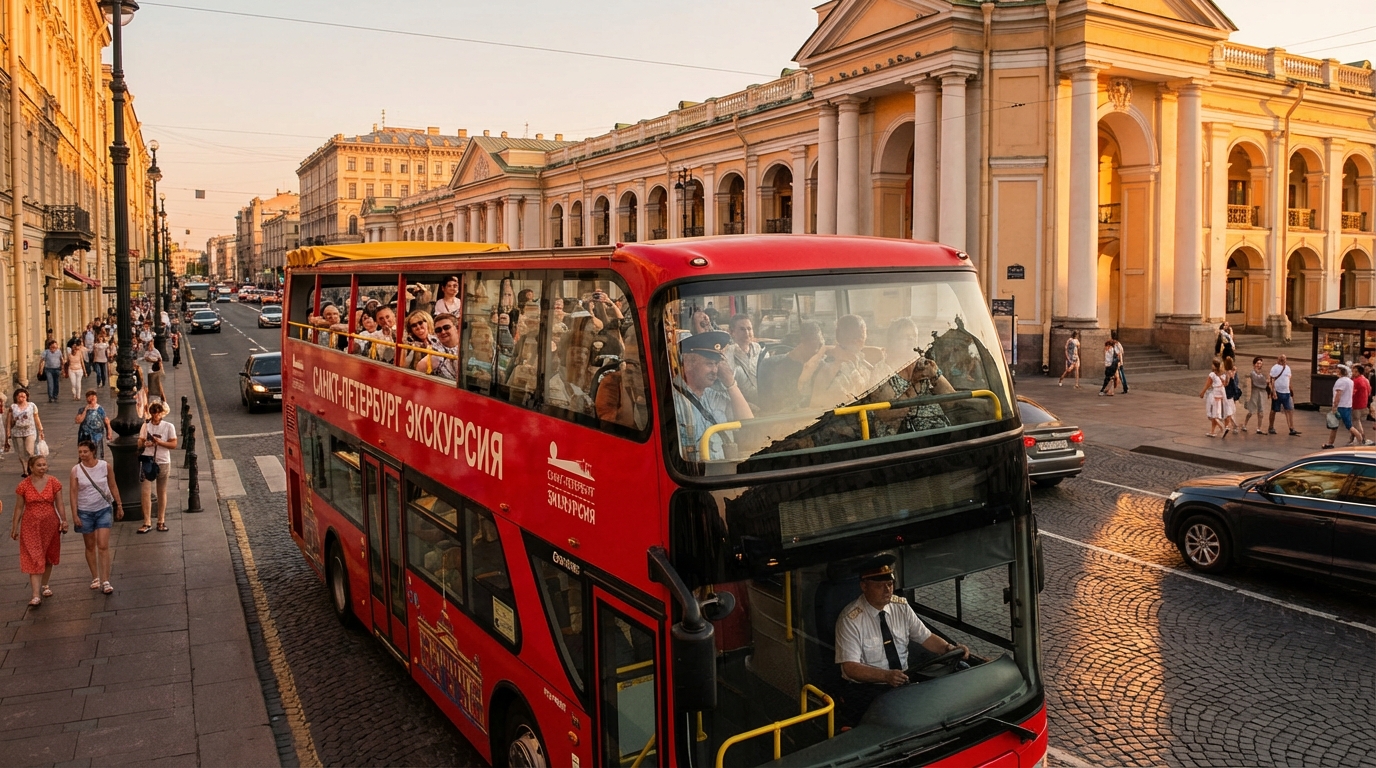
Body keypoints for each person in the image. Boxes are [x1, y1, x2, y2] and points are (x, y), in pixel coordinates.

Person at [833, 555, 968, 724]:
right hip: (867, 689)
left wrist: (949, 648)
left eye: (890, 584)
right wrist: (885, 676)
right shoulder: (850, 619)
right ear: (864, 586)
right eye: (880, 585)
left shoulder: (901, 607)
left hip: (902, 681)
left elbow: (926, 637)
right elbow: (850, 668)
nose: (887, 590)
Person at [671, 331, 753, 460]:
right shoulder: (672, 400)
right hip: (694, 477)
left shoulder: (714, 396)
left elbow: (749, 424)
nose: (715, 371)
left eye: (716, 364)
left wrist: (731, 384)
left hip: (721, 475)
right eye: (709, 364)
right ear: (688, 363)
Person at [10, 455, 67, 607]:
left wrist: (64, 520)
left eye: (44, 465)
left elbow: (60, 504)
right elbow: (19, 507)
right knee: (34, 556)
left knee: (48, 555)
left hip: (50, 524)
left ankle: (45, 584)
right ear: (31, 467)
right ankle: (35, 595)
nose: (42, 467)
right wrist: (14, 526)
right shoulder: (24, 485)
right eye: (39, 465)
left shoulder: (54, 482)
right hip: (30, 525)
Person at [70, 439, 121, 594]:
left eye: (85, 451)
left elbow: (112, 485)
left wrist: (119, 504)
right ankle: (95, 577)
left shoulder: (105, 466)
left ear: (92, 451)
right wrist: (74, 514)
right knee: (90, 546)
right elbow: (73, 493)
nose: (82, 455)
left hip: (103, 508)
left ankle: (106, 580)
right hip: (85, 511)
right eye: (80, 452)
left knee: (103, 545)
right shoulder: (76, 470)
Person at [809, 314, 877, 408]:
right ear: (859, 339)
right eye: (864, 334)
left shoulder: (860, 362)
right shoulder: (831, 368)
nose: (865, 339)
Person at [758, 322, 826, 414]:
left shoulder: (821, 365)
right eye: (816, 348)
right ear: (803, 343)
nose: (820, 352)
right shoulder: (780, 369)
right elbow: (781, 406)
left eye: (821, 345)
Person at [137, 401, 177, 534]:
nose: (156, 416)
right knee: (145, 492)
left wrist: (160, 442)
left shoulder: (168, 426)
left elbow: (174, 444)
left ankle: (161, 520)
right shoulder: (145, 426)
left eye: (158, 413)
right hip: (148, 460)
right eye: (154, 413)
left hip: (163, 460)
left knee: (162, 491)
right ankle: (147, 521)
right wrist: (143, 443)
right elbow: (139, 443)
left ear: (162, 414)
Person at [726, 314, 765, 406]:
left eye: (749, 329)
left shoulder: (760, 351)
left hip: (766, 400)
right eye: (742, 329)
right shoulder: (728, 353)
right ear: (732, 332)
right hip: (742, 404)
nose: (747, 333)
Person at [5, 389, 43, 477]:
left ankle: (31, 468)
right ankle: (25, 470)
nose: (22, 398)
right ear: (16, 397)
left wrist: (41, 429)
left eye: (23, 396)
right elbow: (8, 421)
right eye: (19, 396)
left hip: (30, 431)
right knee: (21, 452)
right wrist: (8, 432)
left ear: (26, 397)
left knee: (30, 450)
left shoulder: (32, 406)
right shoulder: (13, 407)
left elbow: (36, 417)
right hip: (17, 432)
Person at [1324, 365, 1363, 450]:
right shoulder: (1350, 381)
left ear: (1341, 372)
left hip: (1341, 406)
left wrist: (1335, 406)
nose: (1336, 372)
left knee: (1347, 426)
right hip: (1348, 405)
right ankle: (1330, 443)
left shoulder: (1340, 382)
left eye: (1338, 370)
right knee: (1335, 425)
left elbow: (1338, 394)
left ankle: (1360, 439)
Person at [75, 390, 114, 460]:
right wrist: (85, 410)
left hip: (97, 435)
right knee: (85, 452)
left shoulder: (100, 409)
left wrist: (109, 432)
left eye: (94, 398)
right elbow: (78, 420)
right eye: (90, 399)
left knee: (97, 454)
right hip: (85, 435)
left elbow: (106, 421)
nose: (92, 401)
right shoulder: (82, 409)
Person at [1267, 354, 1300, 436]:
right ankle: (1270, 427)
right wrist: (1273, 392)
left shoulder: (1288, 368)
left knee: (1289, 410)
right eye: (1281, 359)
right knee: (1274, 410)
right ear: (1278, 359)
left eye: (1284, 359)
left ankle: (1291, 428)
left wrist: (1291, 390)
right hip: (1277, 392)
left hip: (1286, 392)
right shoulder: (1274, 368)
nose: (1283, 360)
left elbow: (1288, 380)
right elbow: (1272, 380)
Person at [1242, 356, 1270, 435]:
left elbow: (1267, 381)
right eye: (1258, 363)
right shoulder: (1253, 373)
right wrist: (1265, 381)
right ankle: (1244, 424)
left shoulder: (1263, 373)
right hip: (1255, 392)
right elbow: (1258, 382)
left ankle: (1259, 428)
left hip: (1262, 392)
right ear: (1254, 364)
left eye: (1260, 363)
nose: (1259, 365)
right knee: (1251, 410)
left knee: (1261, 411)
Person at [1200, 357, 1227, 438]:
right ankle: (1212, 431)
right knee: (1215, 413)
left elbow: (1207, 384)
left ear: (1215, 366)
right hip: (1219, 396)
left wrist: (1202, 392)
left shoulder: (1212, 375)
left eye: (1212, 364)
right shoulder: (1223, 375)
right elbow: (1225, 384)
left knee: (1212, 414)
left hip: (1213, 395)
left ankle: (1223, 427)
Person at [1353, 363, 1372, 445]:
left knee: (1356, 422)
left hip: (1356, 404)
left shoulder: (1356, 381)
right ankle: (1353, 438)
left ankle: (1362, 438)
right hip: (1363, 403)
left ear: (1358, 372)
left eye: (1354, 371)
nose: (1353, 373)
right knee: (1355, 421)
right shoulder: (1366, 380)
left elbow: (1352, 393)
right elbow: (1369, 391)